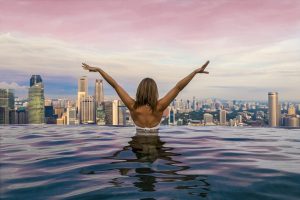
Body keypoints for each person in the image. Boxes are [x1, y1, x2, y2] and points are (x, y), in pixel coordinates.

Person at [82, 61, 209, 133]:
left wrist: (99, 69)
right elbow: (178, 87)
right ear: (155, 91)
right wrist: (194, 72)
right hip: (156, 145)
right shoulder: (159, 107)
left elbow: (115, 85)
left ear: (139, 90)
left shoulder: (133, 107)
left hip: (137, 144)